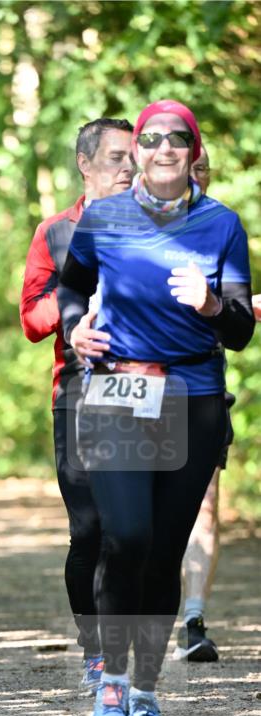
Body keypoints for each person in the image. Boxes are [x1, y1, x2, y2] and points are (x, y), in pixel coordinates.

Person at [58, 99, 254, 716]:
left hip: (193, 398)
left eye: (178, 138)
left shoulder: (222, 224)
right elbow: (70, 289)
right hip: (117, 390)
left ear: (193, 151)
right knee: (126, 538)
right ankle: (108, 687)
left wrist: (210, 305)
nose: (164, 147)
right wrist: (74, 329)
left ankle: (145, 695)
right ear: (136, 149)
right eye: (151, 138)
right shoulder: (104, 216)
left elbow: (242, 329)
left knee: (165, 552)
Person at [20, 117, 134, 691]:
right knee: (89, 530)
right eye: (116, 157)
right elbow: (31, 315)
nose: (129, 168)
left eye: (133, 157)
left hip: (147, 392)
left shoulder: (157, 224)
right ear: (85, 164)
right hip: (78, 392)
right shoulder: (55, 232)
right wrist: (74, 321)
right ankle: (95, 653)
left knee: (132, 531)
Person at [176, 148, 232, 662]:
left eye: (201, 169)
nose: (193, 178)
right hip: (140, 392)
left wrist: (228, 307)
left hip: (206, 391)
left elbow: (237, 317)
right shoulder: (132, 227)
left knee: (205, 507)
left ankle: (193, 620)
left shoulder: (222, 231)